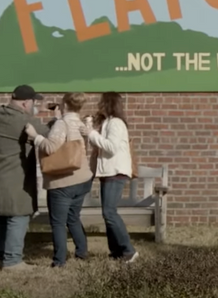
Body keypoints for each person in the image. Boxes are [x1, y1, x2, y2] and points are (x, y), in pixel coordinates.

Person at [0, 84, 51, 271]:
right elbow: (47, 134)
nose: (34, 106)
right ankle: (13, 260)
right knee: (18, 216)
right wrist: (59, 119)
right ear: (26, 102)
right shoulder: (21, 120)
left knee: (0, 217)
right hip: (16, 178)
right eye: (33, 103)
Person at [25, 92, 93, 268]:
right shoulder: (80, 123)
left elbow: (51, 147)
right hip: (82, 178)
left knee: (58, 222)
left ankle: (59, 260)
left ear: (64, 104)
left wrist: (35, 136)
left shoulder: (62, 124)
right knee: (73, 217)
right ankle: (82, 252)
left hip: (63, 181)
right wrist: (57, 120)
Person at [81, 92, 139, 263]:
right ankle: (116, 251)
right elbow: (99, 145)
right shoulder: (108, 123)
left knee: (109, 212)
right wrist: (90, 132)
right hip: (108, 172)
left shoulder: (116, 123)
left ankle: (128, 250)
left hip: (116, 172)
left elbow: (111, 147)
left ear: (109, 104)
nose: (99, 106)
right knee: (107, 213)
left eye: (102, 103)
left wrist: (91, 133)